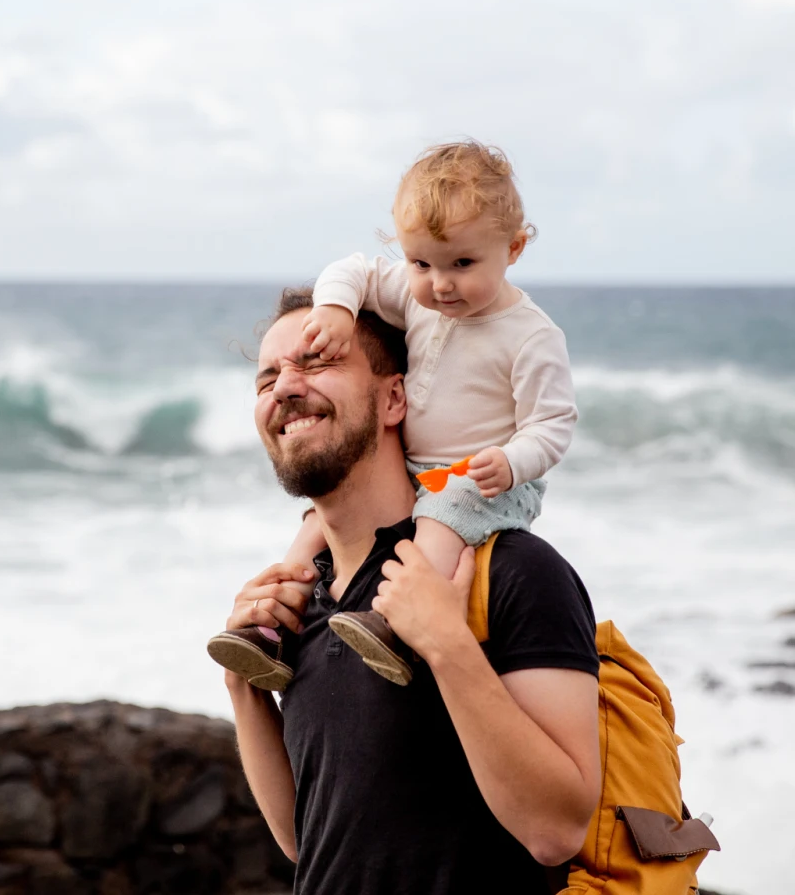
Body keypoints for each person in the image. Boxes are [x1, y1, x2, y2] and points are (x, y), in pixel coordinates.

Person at [212, 286, 601, 894]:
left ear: (395, 398)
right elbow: (307, 840)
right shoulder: (305, 604)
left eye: (318, 362)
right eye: (267, 379)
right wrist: (245, 690)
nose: (284, 387)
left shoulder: (511, 571)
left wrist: (446, 645)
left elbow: (557, 830)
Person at [209, 140, 577, 688]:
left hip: (485, 479)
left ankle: (396, 627)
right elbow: (351, 270)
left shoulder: (531, 336)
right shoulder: (415, 296)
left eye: (462, 263)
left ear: (514, 248)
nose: (440, 283)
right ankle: (274, 627)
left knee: (442, 513)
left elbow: (553, 422)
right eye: (420, 263)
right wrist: (335, 311)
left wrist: (512, 461)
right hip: (420, 468)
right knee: (317, 523)